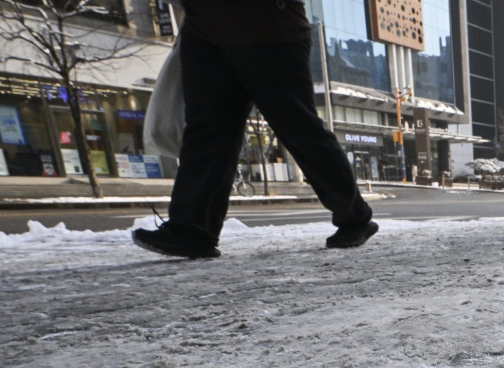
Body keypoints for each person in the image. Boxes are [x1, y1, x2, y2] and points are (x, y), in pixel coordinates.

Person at [132, 0, 376, 259]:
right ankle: (191, 228)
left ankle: (354, 216)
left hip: (271, 27)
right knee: (206, 130)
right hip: (204, 32)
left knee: (297, 125)